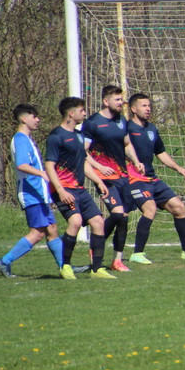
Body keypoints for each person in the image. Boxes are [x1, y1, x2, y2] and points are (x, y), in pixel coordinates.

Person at [124, 92, 185, 262]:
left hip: (152, 179)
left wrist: (178, 168)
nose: (148, 109)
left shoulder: (152, 129)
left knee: (179, 208)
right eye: (144, 105)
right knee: (150, 209)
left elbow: (160, 153)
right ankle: (137, 254)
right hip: (135, 179)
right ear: (133, 109)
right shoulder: (126, 129)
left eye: (149, 105)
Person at [44, 97, 114, 279]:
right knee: (75, 221)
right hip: (63, 188)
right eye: (81, 110)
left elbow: (82, 162)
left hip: (79, 188)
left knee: (98, 222)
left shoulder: (79, 135)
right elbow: (49, 166)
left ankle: (97, 269)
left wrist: (98, 181)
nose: (85, 113)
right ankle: (66, 266)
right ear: (71, 113)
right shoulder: (56, 136)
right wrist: (60, 190)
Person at [0, 104, 65, 278]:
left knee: (52, 229)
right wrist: (42, 173)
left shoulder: (26, 139)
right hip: (30, 193)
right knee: (37, 233)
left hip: (38, 193)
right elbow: (22, 165)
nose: (38, 120)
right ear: (24, 119)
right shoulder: (20, 139)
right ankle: (4, 261)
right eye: (34, 116)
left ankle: (65, 267)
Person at [83, 85, 145, 272]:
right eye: (117, 99)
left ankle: (117, 260)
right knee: (118, 214)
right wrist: (99, 167)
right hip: (104, 177)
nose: (121, 102)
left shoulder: (121, 121)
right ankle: (97, 245)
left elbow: (127, 144)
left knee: (124, 218)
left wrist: (136, 161)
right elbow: (83, 152)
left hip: (122, 175)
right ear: (105, 101)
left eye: (121, 99)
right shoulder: (92, 123)